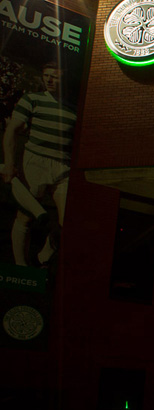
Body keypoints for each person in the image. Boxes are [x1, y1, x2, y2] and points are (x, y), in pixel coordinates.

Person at [1, 62, 75, 266]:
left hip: (63, 167)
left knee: (67, 221)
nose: (50, 80)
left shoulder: (74, 108)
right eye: (47, 75)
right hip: (35, 162)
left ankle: (45, 253)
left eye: (55, 76)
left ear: (64, 79)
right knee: (25, 217)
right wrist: (9, 163)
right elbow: (12, 131)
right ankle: (20, 265)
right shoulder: (32, 100)